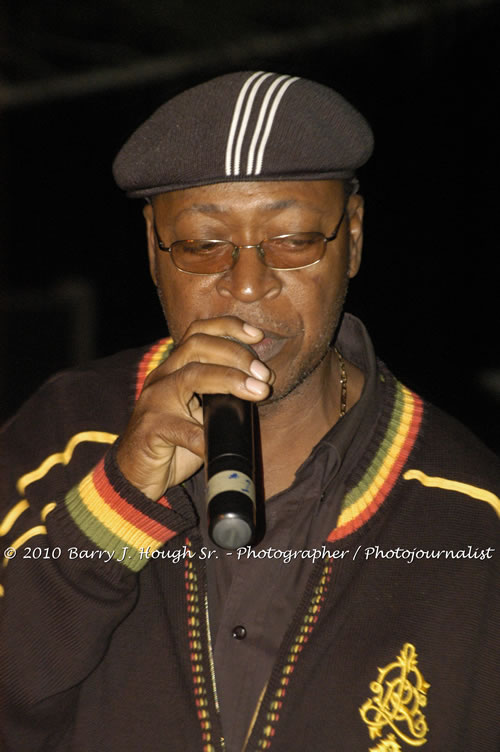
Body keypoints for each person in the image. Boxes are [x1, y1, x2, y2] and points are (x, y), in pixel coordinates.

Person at [0, 71, 498, 752]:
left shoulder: (471, 516)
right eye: (204, 245)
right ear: (153, 248)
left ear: (353, 238)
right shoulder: (57, 439)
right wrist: (116, 503)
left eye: (293, 239)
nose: (246, 284)